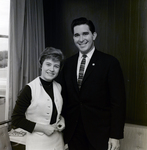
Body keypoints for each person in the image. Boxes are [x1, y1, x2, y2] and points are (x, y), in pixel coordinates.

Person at [59, 17, 126, 150]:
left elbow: (118, 103)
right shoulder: (67, 64)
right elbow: (63, 98)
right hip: (73, 135)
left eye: (85, 33)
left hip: (101, 135)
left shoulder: (110, 63)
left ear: (93, 35)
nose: (81, 39)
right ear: (73, 38)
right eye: (77, 35)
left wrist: (115, 136)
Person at [11, 47, 65, 150]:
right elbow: (16, 119)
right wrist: (43, 128)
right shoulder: (29, 89)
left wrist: (62, 119)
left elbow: (55, 111)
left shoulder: (59, 87)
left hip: (58, 142)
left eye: (56, 66)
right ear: (41, 65)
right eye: (48, 64)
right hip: (38, 144)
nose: (52, 69)